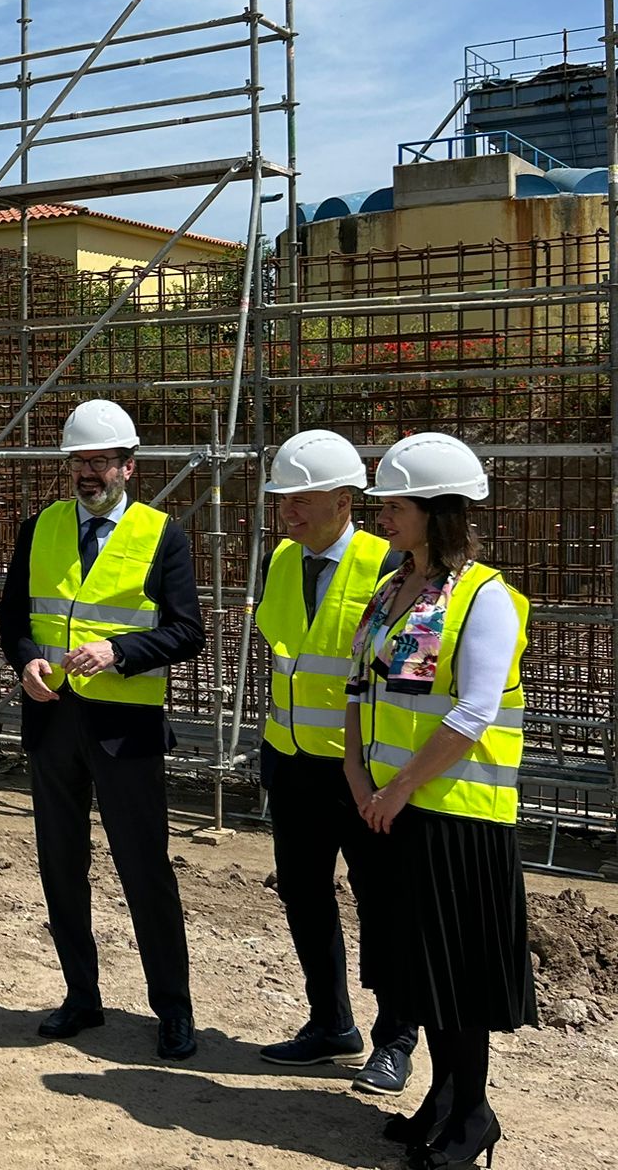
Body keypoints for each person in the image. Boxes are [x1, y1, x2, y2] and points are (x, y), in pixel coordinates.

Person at [0, 397, 205, 1061]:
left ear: (128, 467)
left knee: (145, 871)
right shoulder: (41, 528)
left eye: (100, 461)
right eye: (78, 461)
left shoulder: (160, 534)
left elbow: (186, 630)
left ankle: (172, 1010)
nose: (88, 472)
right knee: (62, 868)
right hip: (53, 720)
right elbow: (12, 616)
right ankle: (81, 997)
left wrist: (121, 651)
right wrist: (26, 657)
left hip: (125, 727)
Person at [347, 432, 533, 1169]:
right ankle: (441, 1097)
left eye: (397, 505)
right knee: (417, 969)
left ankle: (471, 1113)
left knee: (455, 977)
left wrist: (396, 787)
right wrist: (360, 780)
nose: (384, 516)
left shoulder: (486, 598)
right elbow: (361, 690)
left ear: (439, 511)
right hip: (392, 808)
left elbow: (472, 714)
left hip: (455, 817)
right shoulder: (392, 589)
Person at [255, 429, 417, 1092]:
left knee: (382, 904)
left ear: (344, 500)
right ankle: (330, 1025)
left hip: (361, 771)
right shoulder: (281, 562)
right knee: (303, 895)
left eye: (301, 498)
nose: (287, 510)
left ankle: (397, 1038)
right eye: (282, 498)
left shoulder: (388, 567)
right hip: (291, 762)